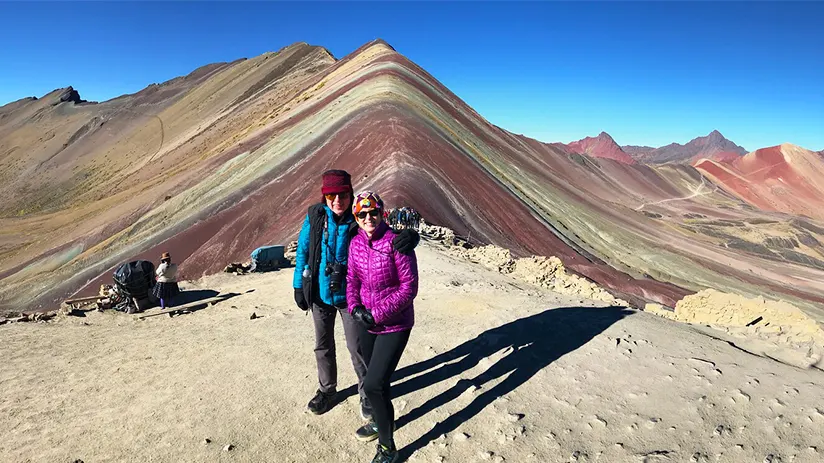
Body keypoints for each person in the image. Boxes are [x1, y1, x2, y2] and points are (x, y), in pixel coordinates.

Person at [293, 170, 420, 420]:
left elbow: (385, 233)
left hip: (350, 299)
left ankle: (367, 395)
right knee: (322, 346)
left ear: (350, 193)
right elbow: (302, 251)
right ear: (324, 196)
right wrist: (299, 285)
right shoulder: (315, 217)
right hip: (319, 293)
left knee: (358, 349)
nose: (336, 200)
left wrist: (411, 237)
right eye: (331, 195)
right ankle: (327, 390)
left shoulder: (359, 216)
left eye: (342, 194)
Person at [347, 191, 418, 463]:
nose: (368, 218)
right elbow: (352, 280)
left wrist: (376, 314)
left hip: (395, 324)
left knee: (374, 383)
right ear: (356, 216)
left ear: (382, 212)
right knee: (377, 381)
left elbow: (408, 288)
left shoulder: (397, 244)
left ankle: (388, 448)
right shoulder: (355, 244)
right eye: (362, 214)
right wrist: (355, 308)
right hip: (365, 321)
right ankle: (381, 422)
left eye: (373, 212)